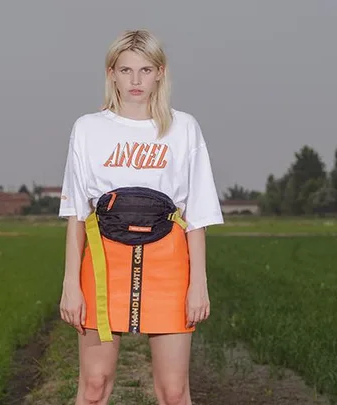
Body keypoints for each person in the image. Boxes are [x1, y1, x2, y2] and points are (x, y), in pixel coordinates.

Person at [58, 29, 223, 405]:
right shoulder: (88, 129)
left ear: (161, 73)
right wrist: (71, 284)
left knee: (174, 391)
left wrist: (199, 284)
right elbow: (76, 214)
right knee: (95, 386)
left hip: (169, 267)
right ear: (111, 73)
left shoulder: (184, 129)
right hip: (103, 267)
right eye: (126, 70)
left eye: (145, 70)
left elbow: (196, 215)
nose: (136, 80)